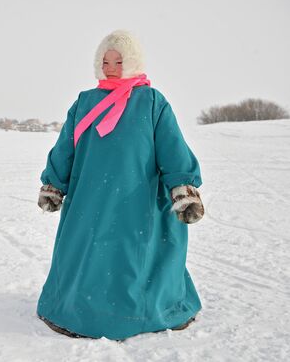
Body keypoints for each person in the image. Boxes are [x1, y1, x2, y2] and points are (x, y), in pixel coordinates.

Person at [36, 30, 205, 341]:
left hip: (137, 199)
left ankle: (136, 312)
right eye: (105, 60)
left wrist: (183, 188)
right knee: (87, 254)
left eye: (118, 60)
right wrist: (53, 184)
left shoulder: (152, 101)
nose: (111, 66)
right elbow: (66, 148)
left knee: (133, 255)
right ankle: (75, 308)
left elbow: (172, 147)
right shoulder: (84, 102)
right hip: (89, 198)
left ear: (132, 62)